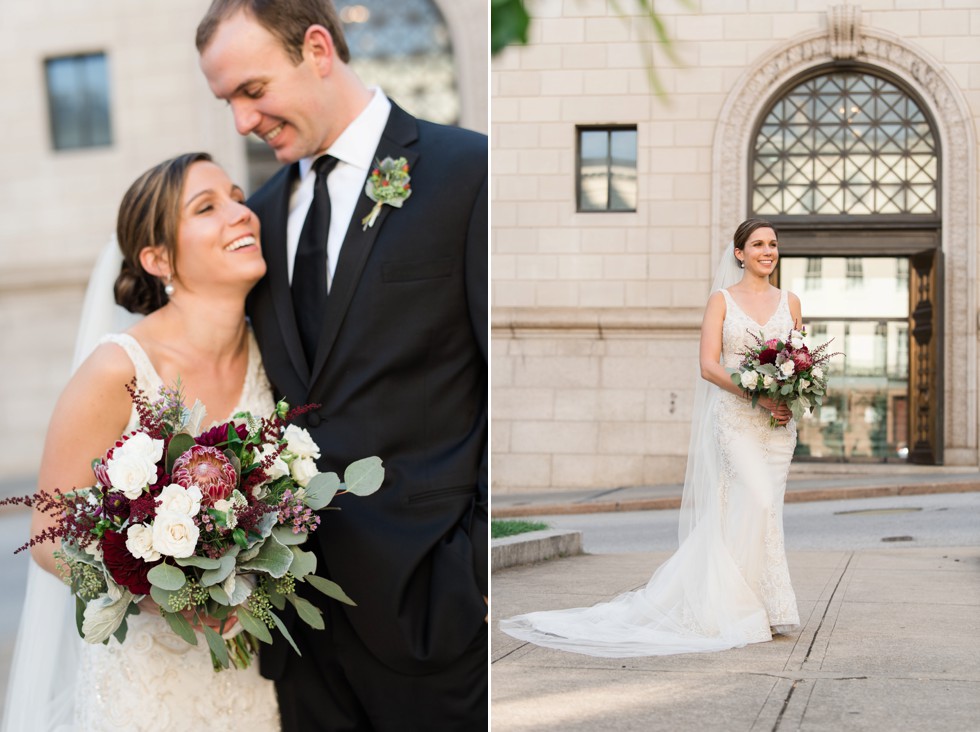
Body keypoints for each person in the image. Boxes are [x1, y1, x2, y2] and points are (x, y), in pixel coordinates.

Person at [195, 1, 488, 730]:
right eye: (226, 100)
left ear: (318, 49)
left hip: (436, 615)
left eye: (252, 91)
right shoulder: (255, 218)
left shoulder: (468, 171)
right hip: (299, 638)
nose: (241, 121)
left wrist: (474, 574)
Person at [2, 153, 282, 731]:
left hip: (249, 677)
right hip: (144, 692)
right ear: (158, 259)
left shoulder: (273, 357)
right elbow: (46, 541)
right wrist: (159, 595)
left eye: (236, 196)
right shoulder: (116, 369)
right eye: (208, 207)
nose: (242, 214)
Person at [500, 218, 801, 657]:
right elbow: (709, 366)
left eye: (772, 244)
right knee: (753, 500)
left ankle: (761, 606)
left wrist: (791, 396)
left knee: (761, 512)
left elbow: (799, 357)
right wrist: (757, 397)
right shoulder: (721, 301)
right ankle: (727, 608)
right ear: (739, 253)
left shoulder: (790, 301)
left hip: (778, 426)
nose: (767, 251)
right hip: (737, 418)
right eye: (757, 244)